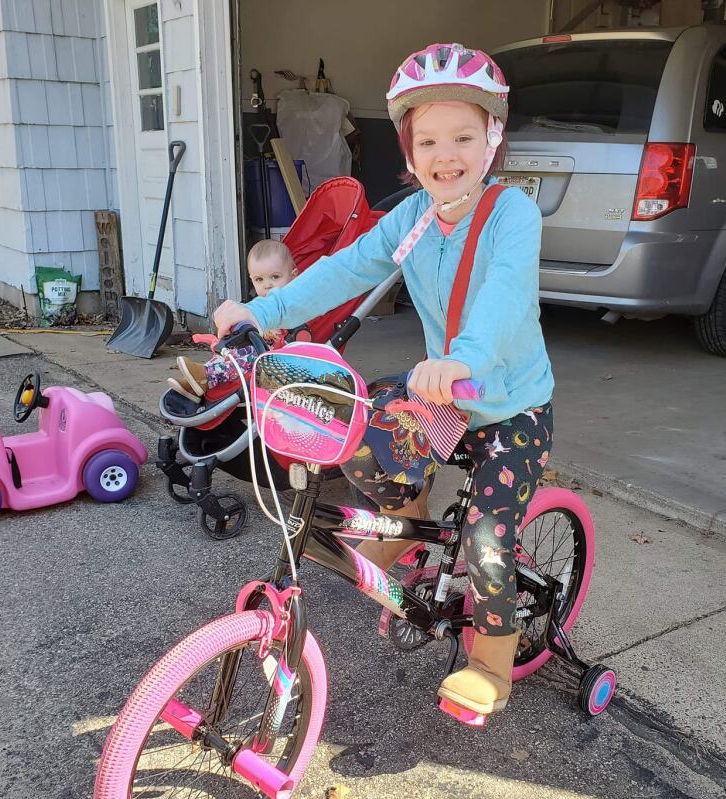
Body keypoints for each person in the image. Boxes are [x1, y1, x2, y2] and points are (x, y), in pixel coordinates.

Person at [213, 43, 553, 721]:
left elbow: (506, 294)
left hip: (509, 408)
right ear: (408, 147)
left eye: (463, 135)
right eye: (428, 139)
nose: (445, 154)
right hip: (439, 399)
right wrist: (259, 310)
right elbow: (343, 270)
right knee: (362, 436)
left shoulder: (512, 215)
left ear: (492, 139)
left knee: (487, 540)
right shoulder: (413, 217)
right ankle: (411, 520)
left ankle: (490, 663)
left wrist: (465, 356)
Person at [168, 240, 297, 401]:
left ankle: (205, 376)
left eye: (275, 277)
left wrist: (269, 329)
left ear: (293, 276)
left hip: (274, 359)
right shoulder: (255, 306)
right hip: (251, 349)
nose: (267, 285)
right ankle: (197, 383)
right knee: (226, 354)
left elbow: (289, 329)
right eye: (259, 280)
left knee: (243, 357)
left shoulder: (293, 307)